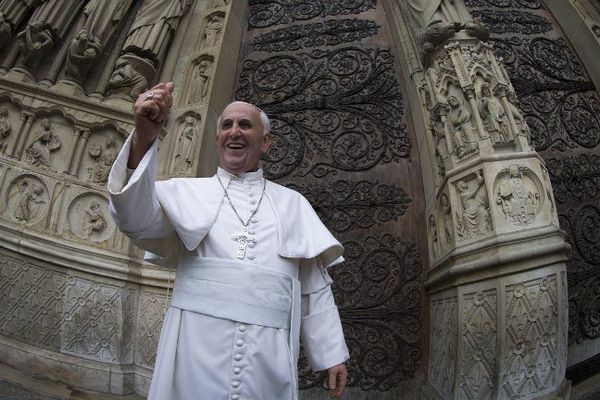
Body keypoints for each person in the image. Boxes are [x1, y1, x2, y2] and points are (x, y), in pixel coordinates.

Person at [108, 82, 349, 399]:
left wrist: (331, 354)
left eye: (245, 125)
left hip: (267, 357)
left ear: (265, 143)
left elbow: (312, 287)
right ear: (217, 138)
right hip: (195, 348)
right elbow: (132, 218)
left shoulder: (293, 205)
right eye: (226, 125)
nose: (234, 131)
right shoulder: (185, 193)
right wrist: (144, 137)